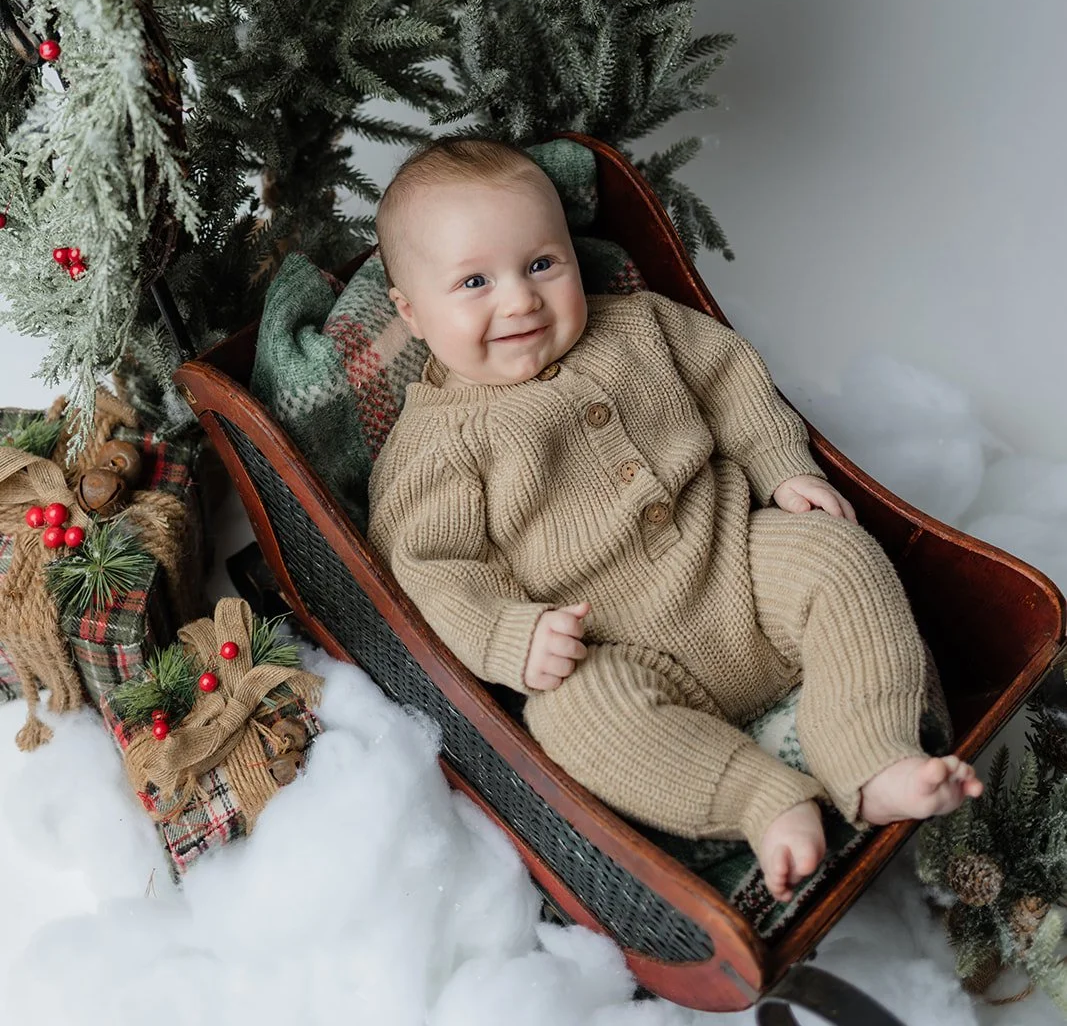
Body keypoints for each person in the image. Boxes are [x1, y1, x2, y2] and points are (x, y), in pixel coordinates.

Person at [367, 138, 981, 902]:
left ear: (569, 254)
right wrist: (510, 636)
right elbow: (430, 568)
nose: (519, 301)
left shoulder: (640, 328)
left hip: (738, 568)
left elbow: (733, 386)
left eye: (540, 265)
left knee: (835, 555)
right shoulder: (434, 446)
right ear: (411, 313)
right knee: (571, 720)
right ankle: (766, 802)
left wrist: (781, 468)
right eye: (473, 282)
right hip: (614, 648)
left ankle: (871, 758)